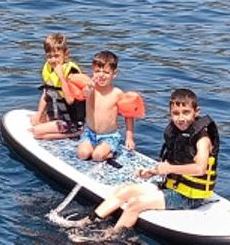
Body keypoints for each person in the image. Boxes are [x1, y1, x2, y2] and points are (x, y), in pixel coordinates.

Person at [77, 88, 219, 236]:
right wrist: (151, 172)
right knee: (124, 191)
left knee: (135, 204)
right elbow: (171, 164)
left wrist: (169, 169)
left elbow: (200, 168)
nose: (181, 118)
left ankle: (109, 236)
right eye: (176, 113)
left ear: (196, 112)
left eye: (186, 112)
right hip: (172, 187)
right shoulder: (178, 133)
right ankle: (88, 221)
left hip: (189, 198)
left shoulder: (202, 139)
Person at [77, 50, 136, 161]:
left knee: (97, 156)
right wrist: (88, 88)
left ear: (114, 74)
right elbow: (84, 94)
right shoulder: (90, 89)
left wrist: (129, 138)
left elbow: (128, 116)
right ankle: (95, 148)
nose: (101, 75)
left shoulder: (117, 93)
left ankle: (113, 152)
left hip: (109, 136)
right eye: (97, 71)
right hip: (90, 133)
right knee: (83, 154)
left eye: (106, 72)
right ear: (93, 72)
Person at [29, 33, 86, 140]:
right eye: (49, 56)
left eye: (56, 56)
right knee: (33, 121)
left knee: (37, 132)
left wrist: (61, 76)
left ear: (66, 54)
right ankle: (56, 126)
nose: (53, 60)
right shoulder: (48, 68)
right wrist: (39, 115)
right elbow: (46, 94)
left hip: (72, 120)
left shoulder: (71, 73)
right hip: (59, 115)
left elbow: (70, 100)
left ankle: (75, 132)